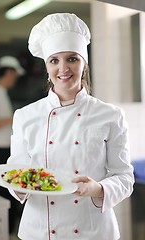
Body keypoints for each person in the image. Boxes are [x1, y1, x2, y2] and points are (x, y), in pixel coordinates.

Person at [7, 13, 134, 240]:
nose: (63, 68)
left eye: (72, 59)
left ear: (84, 63)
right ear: (46, 66)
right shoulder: (25, 116)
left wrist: (98, 189)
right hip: (41, 231)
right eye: (54, 60)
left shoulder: (110, 115)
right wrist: (16, 186)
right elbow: (16, 172)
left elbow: (124, 177)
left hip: (92, 231)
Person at [0, 55, 25, 232]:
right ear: (9, 73)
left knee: (8, 192)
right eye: (15, 75)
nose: (15, 79)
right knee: (4, 193)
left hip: (3, 150)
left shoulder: (0, 92)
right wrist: (13, 118)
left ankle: (9, 231)